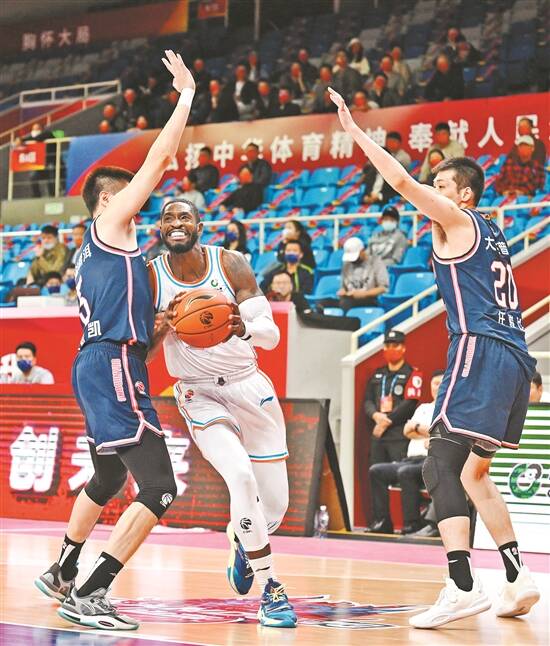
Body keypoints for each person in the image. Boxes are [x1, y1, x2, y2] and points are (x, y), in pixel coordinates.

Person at [328, 86, 540, 627]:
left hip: (479, 349)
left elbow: (402, 183)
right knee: (474, 474)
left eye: (441, 185)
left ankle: (462, 585)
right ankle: (517, 578)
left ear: (463, 195)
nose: (431, 191)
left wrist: (356, 133)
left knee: (437, 462)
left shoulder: (459, 221)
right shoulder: (493, 232)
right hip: (515, 358)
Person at [34, 49, 196, 632]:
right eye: (131, 196)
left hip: (101, 361)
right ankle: (91, 592)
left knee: (107, 478)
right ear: (108, 200)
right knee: (159, 487)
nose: (142, 204)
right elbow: (158, 160)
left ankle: (62, 570)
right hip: (111, 365)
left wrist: (160, 325)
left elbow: (130, 329)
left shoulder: (101, 254)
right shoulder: (109, 225)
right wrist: (185, 96)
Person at [148, 199, 297, 628]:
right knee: (241, 477)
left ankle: (243, 541)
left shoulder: (230, 264)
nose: (176, 223)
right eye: (168, 218)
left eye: (185, 217)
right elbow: (142, 354)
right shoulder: (151, 276)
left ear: (199, 225)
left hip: (249, 385)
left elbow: (270, 336)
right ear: (161, 229)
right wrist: (163, 326)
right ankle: (272, 591)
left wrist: (242, 326)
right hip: (199, 393)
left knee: (275, 508)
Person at [367, 370, 444, 534]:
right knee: (376, 470)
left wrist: (418, 428)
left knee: (406, 472)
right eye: (435, 384)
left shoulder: (449, 411)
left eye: (442, 384)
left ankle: (412, 524)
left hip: (430, 461)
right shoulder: (423, 408)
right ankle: (383, 521)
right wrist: (425, 431)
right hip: (410, 459)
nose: (438, 387)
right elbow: (407, 430)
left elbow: (442, 434)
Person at [363, 329, 422, 472]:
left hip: (398, 435)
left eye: (395, 346)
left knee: (399, 475)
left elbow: (410, 403)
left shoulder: (412, 373)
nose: (391, 349)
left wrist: (386, 421)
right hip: (378, 435)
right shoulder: (378, 374)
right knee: (375, 474)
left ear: (403, 348)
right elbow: (368, 400)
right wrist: (376, 415)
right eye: (387, 346)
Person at [338, 237, 389, 310]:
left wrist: (364, 294)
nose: (353, 261)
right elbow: (344, 287)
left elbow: (383, 288)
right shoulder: (346, 264)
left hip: (370, 299)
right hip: (349, 298)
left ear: (362, 251)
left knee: (345, 303)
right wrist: (343, 291)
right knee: (325, 303)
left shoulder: (376, 262)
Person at [21, 122, 55, 197]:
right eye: (33, 129)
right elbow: (28, 139)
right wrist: (20, 140)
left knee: (50, 177)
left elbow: (39, 138)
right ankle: (37, 195)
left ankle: (52, 195)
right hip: (38, 165)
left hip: (49, 163)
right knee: (33, 176)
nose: (35, 131)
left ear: (41, 129)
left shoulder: (47, 134)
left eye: (37, 129)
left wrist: (24, 140)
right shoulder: (32, 138)